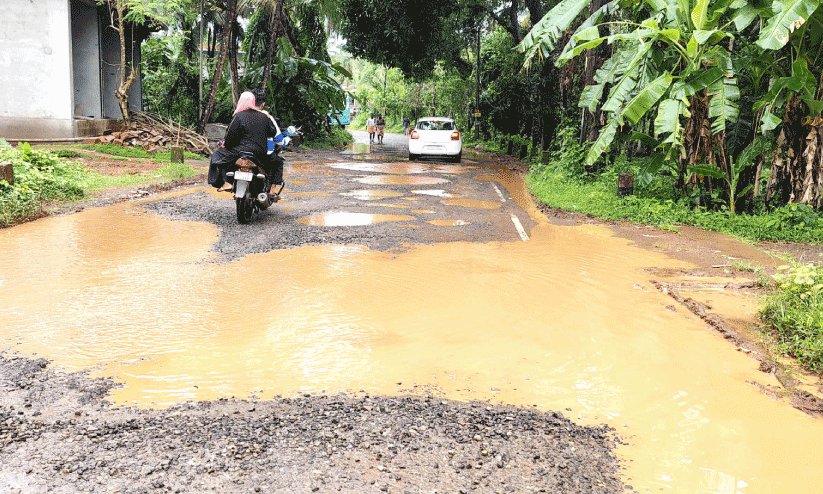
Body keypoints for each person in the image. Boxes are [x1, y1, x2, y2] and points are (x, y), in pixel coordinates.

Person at [209, 89, 283, 193]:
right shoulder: (264, 117)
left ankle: (225, 182)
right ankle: (273, 190)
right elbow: (273, 133)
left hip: (239, 153)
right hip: (260, 154)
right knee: (277, 162)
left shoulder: (239, 116)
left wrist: (225, 145)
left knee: (217, 154)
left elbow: (229, 139)